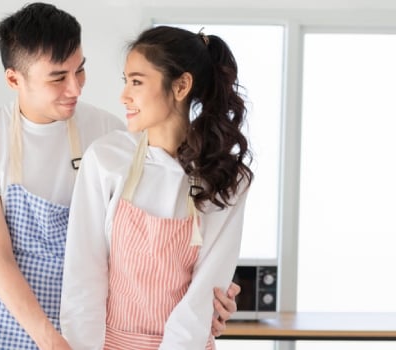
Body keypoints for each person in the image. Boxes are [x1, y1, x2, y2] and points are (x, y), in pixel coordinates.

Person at [0, 4, 240, 349]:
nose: (75, 88)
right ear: (14, 79)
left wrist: (215, 299)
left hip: (86, 325)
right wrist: (50, 339)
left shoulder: (109, 134)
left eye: (80, 70)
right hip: (3, 321)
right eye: (58, 77)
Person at [60, 25, 254, 350]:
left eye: (136, 81)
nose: (124, 96)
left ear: (181, 86)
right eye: (126, 81)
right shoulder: (106, 159)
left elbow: (204, 294)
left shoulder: (227, 179)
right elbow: (84, 275)